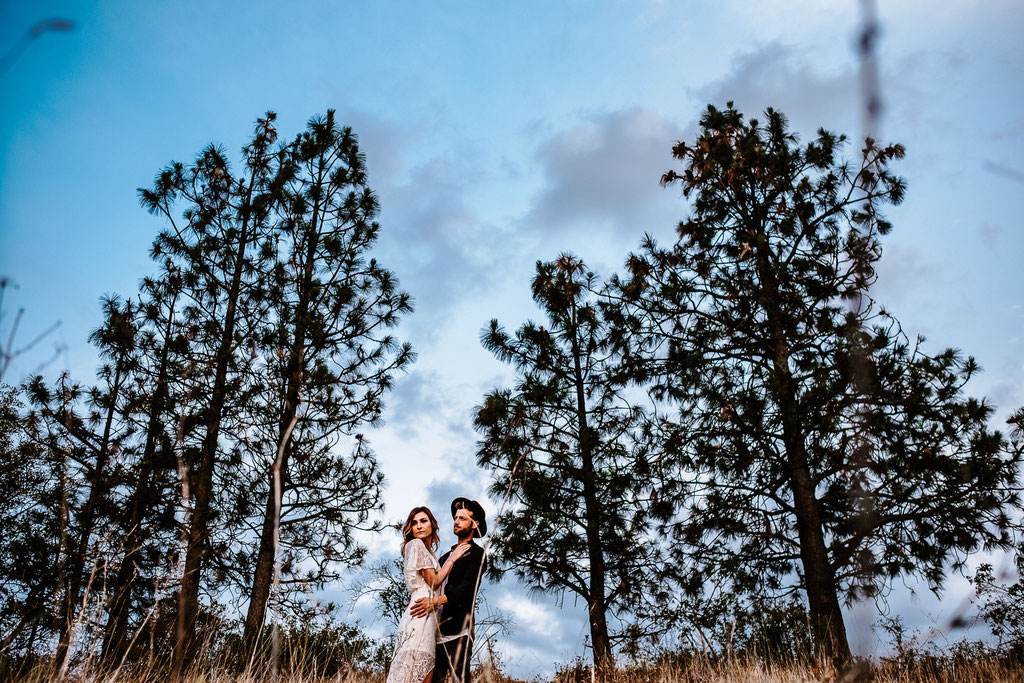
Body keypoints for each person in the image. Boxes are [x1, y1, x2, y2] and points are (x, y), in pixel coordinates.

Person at [387, 506, 469, 683]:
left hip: (429, 615)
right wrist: (453, 558)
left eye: (423, 521)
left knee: (423, 672)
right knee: (415, 672)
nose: (418, 526)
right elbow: (434, 581)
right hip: (420, 614)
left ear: (432, 524)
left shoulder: (429, 553)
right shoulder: (415, 545)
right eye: (414, 523)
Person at [409, 498, 487, 683]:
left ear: (474, 524)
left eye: (462, 518)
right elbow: (431, 584)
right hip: (435, 630)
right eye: (455, 517)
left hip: (458, 630)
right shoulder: (445, 557)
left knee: (460, 679)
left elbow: (468, 588)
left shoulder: (477, 554)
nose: (456, 521)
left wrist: (435, 602)